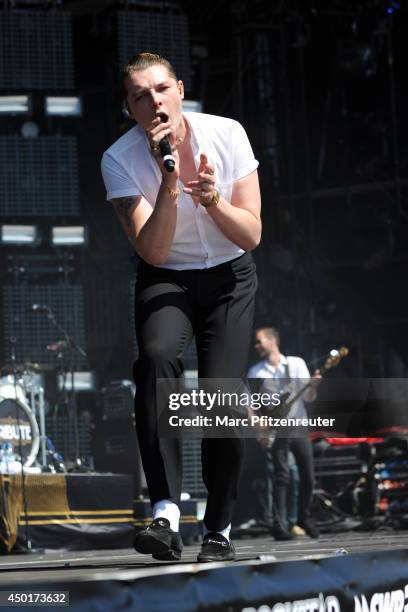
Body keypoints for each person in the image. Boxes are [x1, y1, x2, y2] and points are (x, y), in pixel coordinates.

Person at [101, 52, 261, 562]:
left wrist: (213, 199)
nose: (154, 101)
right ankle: (167, 511)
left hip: (230, 277)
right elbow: (153, 251)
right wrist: (169, 182)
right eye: (140, 96)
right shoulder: (119, 159)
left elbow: (252, 234)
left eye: (162, 89)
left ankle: (219, 528)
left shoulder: (228, 133)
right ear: (129, 108)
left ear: (181, 89)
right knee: (155, 359)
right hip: (167, 274)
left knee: (222, 397)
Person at [248, 327, 321, 539]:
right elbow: (251, 403)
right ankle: (279, 525)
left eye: (260, 341)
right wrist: (256, 420)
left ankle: (303, 517)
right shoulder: (256, 372)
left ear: (272, 341)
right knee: (282, 477)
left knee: (308, 476)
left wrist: (313, 387)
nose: (257, 346)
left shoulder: (296, 364)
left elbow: (308, 397)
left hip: (298, 425)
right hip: (278, 429)